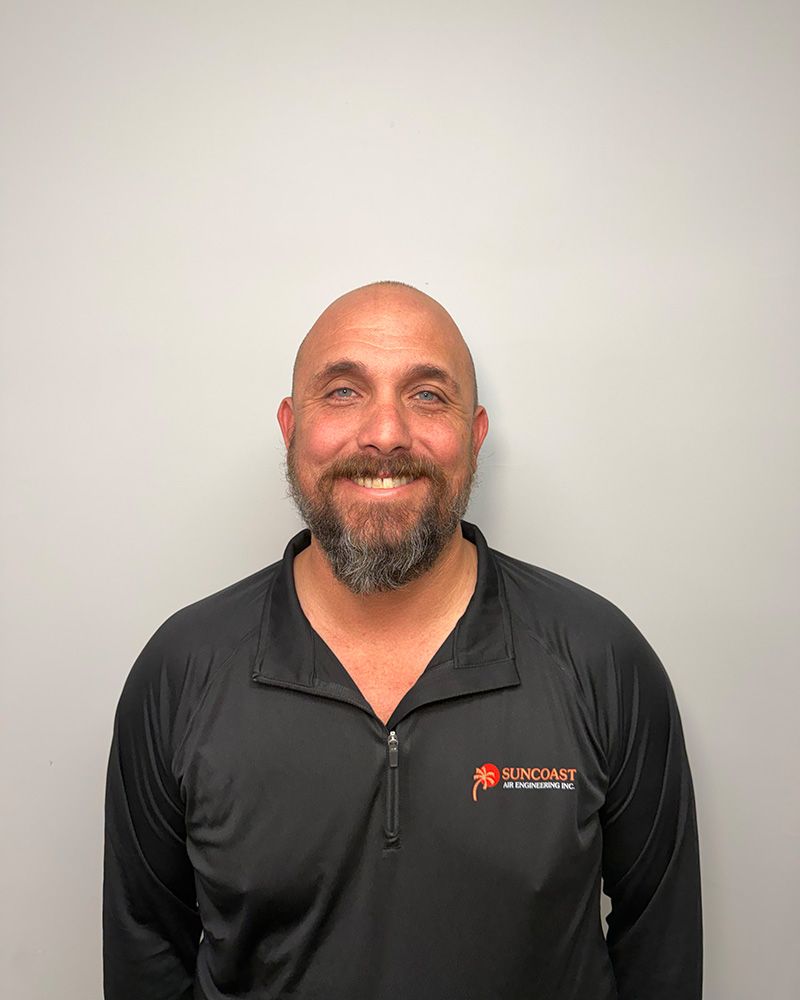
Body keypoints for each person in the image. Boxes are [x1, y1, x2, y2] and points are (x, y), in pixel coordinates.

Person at [103, 281, 702, 1000]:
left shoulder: (603, 661)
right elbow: (146, 955)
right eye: (343, 391)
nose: (385, 433)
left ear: (474, 435)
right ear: (291, 426)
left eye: (426, 395)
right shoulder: (180, 673)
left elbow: (661, 955)